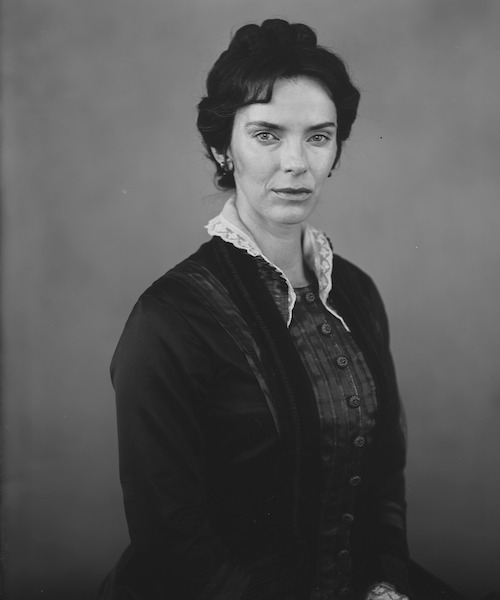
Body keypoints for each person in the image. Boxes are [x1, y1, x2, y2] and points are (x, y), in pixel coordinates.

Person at [100, 19, 452, 600]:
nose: (296, 162)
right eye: (267, 134)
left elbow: (383, 478)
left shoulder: (355, 292)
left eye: (318, 136)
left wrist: (384, 582)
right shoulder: (170, 318)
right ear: (222, 146)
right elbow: (170, 534)